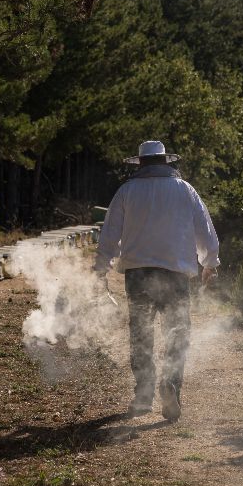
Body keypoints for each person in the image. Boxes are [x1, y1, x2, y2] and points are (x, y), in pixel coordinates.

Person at [94, 140, 220, 421]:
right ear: (165, 162)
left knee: (141, 333)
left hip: (138, 274)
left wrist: (101, 267)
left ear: (140, 163)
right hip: (175, 274)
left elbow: (110, 234)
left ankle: (143, 394)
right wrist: (209, 263)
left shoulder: (126, 191)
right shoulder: (185, 190)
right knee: (177, 331)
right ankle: (171, 385)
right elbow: (205, 230)